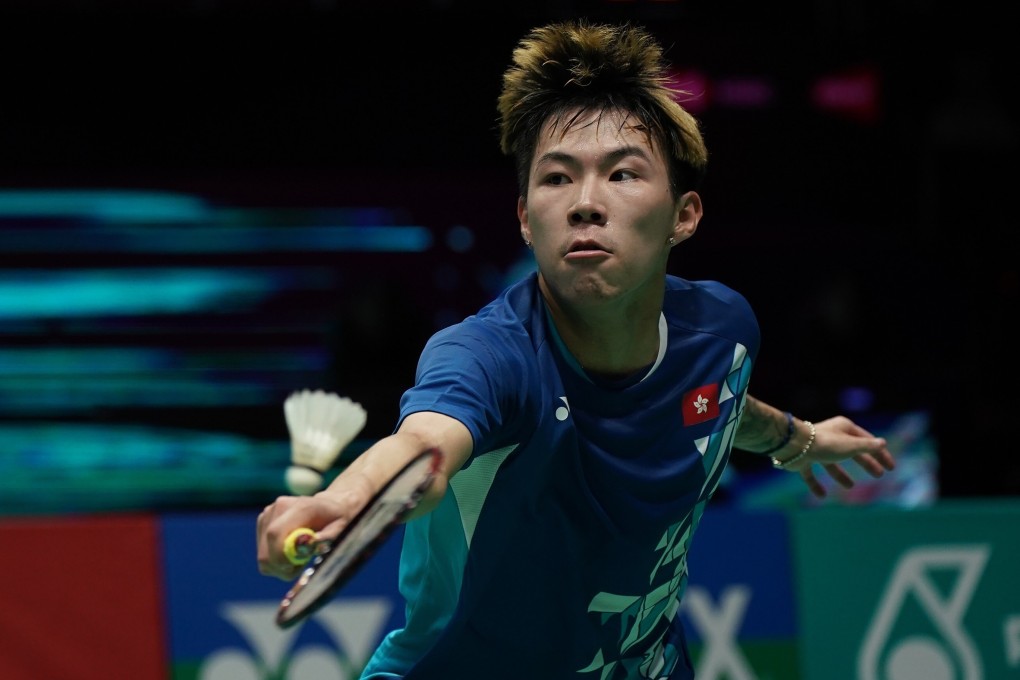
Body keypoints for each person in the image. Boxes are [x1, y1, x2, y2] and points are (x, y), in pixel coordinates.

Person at [257, 18, 895, 679]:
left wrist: (797, 440)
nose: (586, 203)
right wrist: (341, 502)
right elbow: (421, 447)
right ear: (527, 220)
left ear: (685, 214)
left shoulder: (723, 328)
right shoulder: (487, 357)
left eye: (622, 174)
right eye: (557, 179)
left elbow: (716, 397)